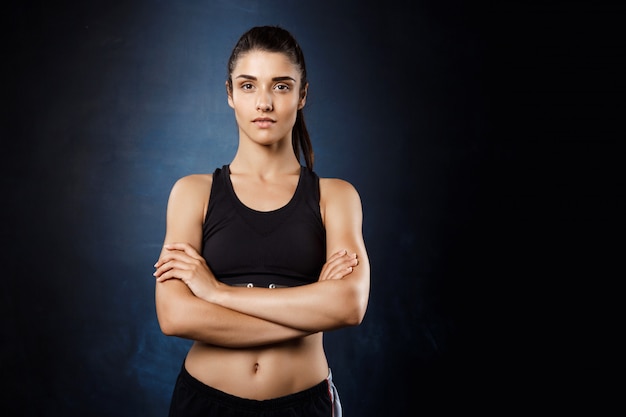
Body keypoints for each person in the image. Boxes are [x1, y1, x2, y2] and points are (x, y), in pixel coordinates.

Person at [153, 25, 370, 417]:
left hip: (304, 404)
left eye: (282, 86)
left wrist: (217, 292)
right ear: (230, 94)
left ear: (302, 95)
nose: (264, 102)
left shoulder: (336, 196)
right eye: (249, 85)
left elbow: (349, 305)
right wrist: (312, 310)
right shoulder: (192, 193)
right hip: (204, 402)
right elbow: (175, 315)